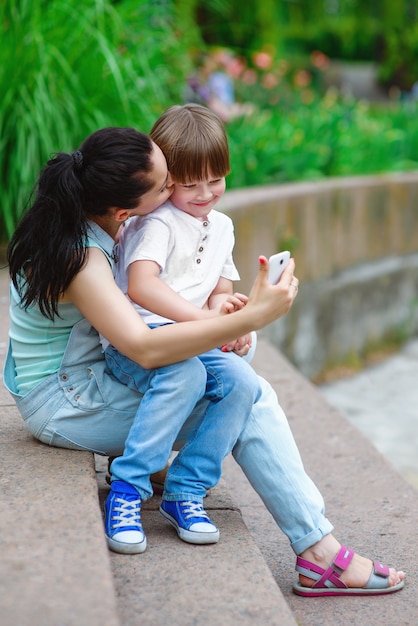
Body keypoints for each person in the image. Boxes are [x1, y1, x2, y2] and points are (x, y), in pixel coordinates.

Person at [4, 125, 404, 596]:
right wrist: (248, 318)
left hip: (86, 380)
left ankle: (169, 478)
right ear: (124, 209)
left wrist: (218, 307)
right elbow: (144, 346)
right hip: (64, 402)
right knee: (250, 401)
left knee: (237, 382)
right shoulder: (82, 257)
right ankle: (318, 553)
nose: (176, 189)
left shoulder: (92, 218)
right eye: (165, 184)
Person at [103, 103, 261, 547]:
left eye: (216, 179)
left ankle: (186, 489)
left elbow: (219, 288)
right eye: (190, 183)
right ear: (166, 179)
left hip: (194, 340)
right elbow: (142, 286)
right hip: (140, 341)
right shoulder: (157, 222)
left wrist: (229, 313)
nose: (205, 193)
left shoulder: (222, 225)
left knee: (244, 385)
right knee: (186, 373)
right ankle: (128, 489)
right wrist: (209, 322)